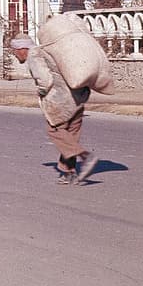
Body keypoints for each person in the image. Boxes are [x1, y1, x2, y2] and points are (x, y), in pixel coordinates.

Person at [10, 35, 97, 184]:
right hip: (78, 96)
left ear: (22, 49)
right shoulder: (47, 51)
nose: (14, 54)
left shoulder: (34, 55)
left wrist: (41, 91)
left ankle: (85, 156)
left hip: (61, 100)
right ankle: (68, 172)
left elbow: (45, 80)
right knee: (70, 135)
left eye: (14, 50)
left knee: (55, 130)